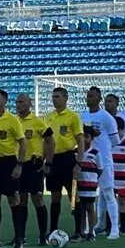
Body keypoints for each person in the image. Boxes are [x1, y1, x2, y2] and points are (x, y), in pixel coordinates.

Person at [41, 86, 84, 237]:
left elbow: (80, 140)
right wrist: (45, 161)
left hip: (68, 158)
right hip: (53, 160)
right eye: (53, 97)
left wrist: (79, 163)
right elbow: (46, 142)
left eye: (58, 96)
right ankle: (52, 230)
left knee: (73, 196)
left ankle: (79, 230)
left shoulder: (73, 116)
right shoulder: (48, 118)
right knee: (55, 195)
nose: (55, 99)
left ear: (66, 99)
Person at [0, 89, 25, 248]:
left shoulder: (12, 120)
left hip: (9, 162)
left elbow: (23, 143)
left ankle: (19, 238)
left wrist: (19, 165)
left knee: (13, 199)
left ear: (4, 101)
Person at [80, 87, 120, 241]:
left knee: (108, 193)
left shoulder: (106, 117)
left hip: (103, 160)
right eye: (87, 96)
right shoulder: (82, 116)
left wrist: (103, 150)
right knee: (89, 196)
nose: (88, 98)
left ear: (98, 98)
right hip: (86, 161)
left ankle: (115, 228)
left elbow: (115, 140)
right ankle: (94, 226)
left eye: (91, 96)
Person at [14, 93, 52, 245]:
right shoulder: (14, 121)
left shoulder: (38, 122)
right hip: (18, 165)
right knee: (20, 200)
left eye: (22, 102)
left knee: (37, 199)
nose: (18, 104)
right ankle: (20, 236)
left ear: (30, 104)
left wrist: (47, 162)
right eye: (17, 102)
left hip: (34, 164)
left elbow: (51, 142)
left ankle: (43, 236)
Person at [74, 127, 104, 241]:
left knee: (90, 208)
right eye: (82, 136)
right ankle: (81, 231)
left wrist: (93, 178)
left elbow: (100, 169)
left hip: (90, 185)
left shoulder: (95, 153)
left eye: (87, 136)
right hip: (78, 185)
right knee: (80, 209)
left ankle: (91, 232)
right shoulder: (76, 152)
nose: (84, 139)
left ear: (91, 138)